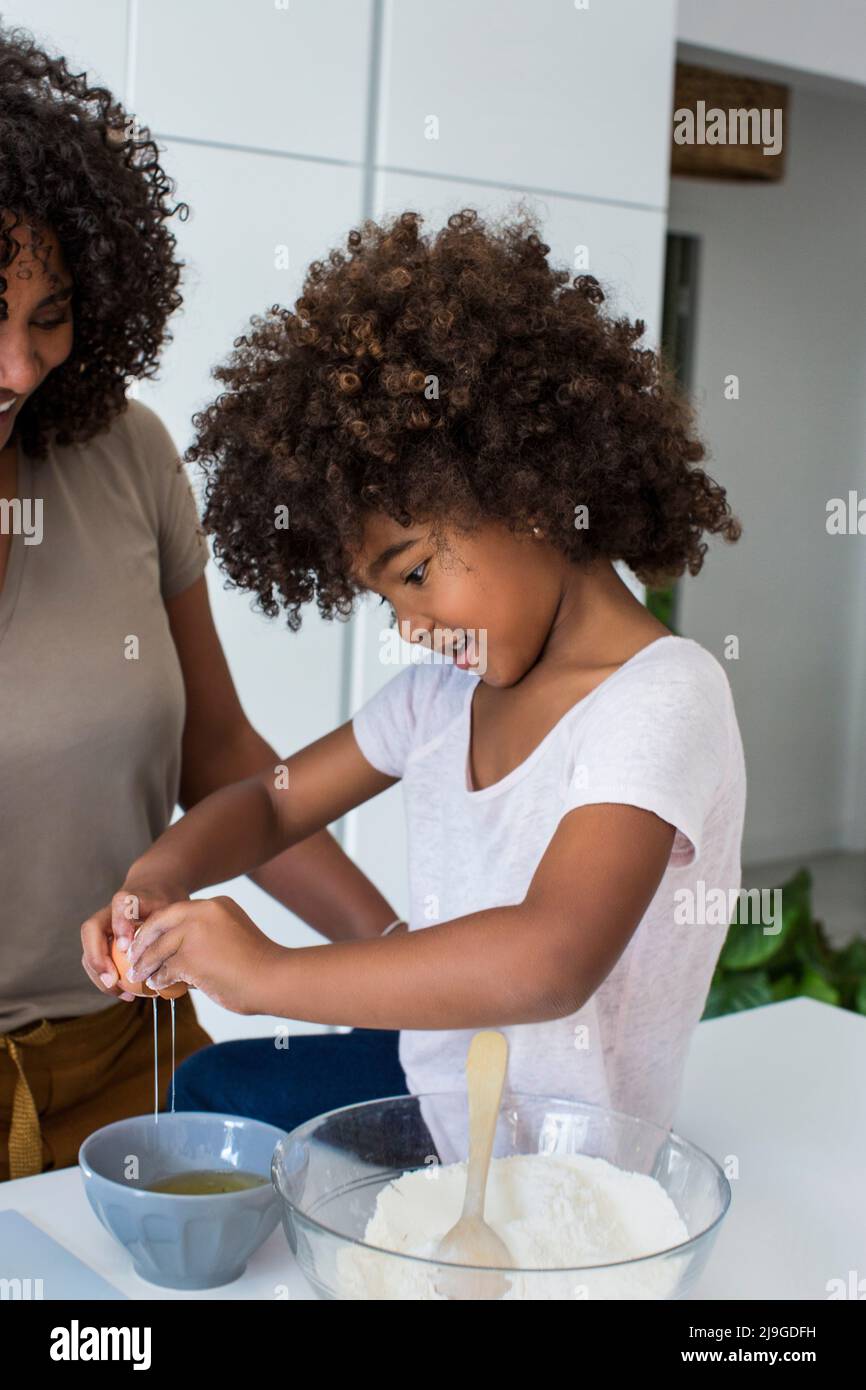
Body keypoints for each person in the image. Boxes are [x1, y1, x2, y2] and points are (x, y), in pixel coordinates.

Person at [94, 206, 747, 1143]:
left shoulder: (663, 696)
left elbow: (551, 957)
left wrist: (266, 972)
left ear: (527, 489)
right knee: (211, 1091)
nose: (408, 623)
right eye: (383, 596)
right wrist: (159, 875)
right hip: (438, 1082)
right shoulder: (440, 699)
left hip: (558, 1160)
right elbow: (274, 804)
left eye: (414, 572)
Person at [0, 27, 398, 1184]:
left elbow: (220, 754)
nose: (20, 366)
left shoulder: (124, 453)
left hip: (122, 1060)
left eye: (51, 313)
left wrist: (400, 961)